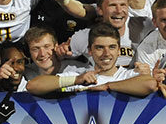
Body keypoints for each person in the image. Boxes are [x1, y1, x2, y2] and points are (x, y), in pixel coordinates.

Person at [27, 24, 158, 96]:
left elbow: (150, 84)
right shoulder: (79, 77)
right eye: (100, 48)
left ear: (119, 50)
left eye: (112, 47)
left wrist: (107, 86)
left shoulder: (130, 75)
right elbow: (33, 86)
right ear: (90, 50)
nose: (106, 54)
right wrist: (76, 80)